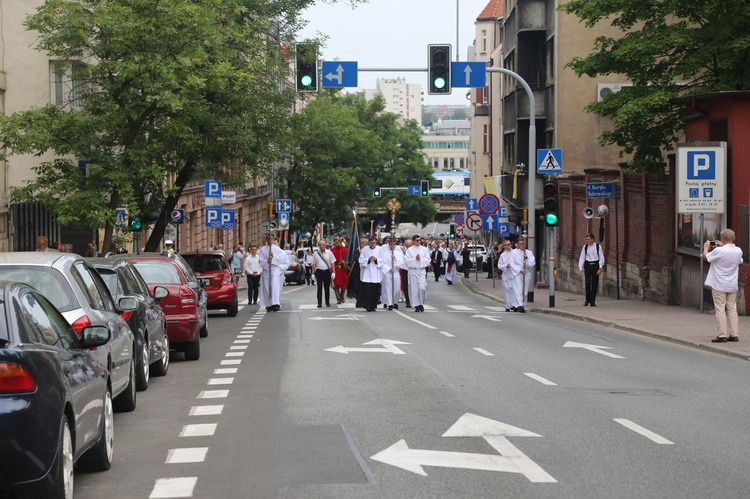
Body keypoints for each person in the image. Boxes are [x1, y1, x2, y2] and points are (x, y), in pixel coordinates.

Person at [703, 229, 743, 343]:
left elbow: (706, 257)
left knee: (720, 308)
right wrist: (723, 246)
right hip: (732, 284)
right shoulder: (738, 250)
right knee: (732, 309)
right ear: (733, 238)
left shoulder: (719, 251)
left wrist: (706, 247)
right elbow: (740, 261)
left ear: (723, 238)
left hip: (719, 284)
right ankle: (734, 334)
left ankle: (722, 335)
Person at [258, 236, 289, 311]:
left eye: (271, 239)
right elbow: (261, 261)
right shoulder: (262, 249)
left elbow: (281, 260)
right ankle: (268, 304)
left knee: (274, 287)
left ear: (273, 239)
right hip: (267, 270)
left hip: (274, 270)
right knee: (267, 287)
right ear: (266, 239)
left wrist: (273, 257)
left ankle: (275, 303)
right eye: (268, 239)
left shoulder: (278, 250)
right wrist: (267, 261)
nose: (270, 240)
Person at [404, 235, 431, 312]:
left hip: (421, 271)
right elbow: (406, 260)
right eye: (417, 240)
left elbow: (428, 259)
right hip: (413, 271)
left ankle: (421, 302)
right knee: (414, 289)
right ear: (413, 241)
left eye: (419, 240)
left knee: (421, 288)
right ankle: (417, 305)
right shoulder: (409, 250)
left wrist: (421, 259)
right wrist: (414, 259)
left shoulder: (424, 249)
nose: (419, 242)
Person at [578, 233, 605, 307]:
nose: (586, 241)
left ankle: (592, 301)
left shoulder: (597, 246)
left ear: (592, 239)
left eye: (588, 239)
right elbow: (582, 257)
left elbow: (601, 257)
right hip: (587, 265)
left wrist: (600, 268)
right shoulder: (585, 247)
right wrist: (580, 268)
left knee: (594, 284)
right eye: (586, 239)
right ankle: (587, 299)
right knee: (587, 283)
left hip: (595, 265)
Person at [509, 237, 535, 313]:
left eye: (523, 244)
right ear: (518, 244)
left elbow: (532, 263)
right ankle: (519, 305)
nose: (522, 245)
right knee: (518, 289)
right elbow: (512, 263)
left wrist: (526, 258)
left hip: (526, 272)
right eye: (520, 244)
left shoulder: (529, 253)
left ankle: (523, 304)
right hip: (518, 273)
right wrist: (519, 269)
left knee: (525, 290)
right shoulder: (514, 252)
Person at [379, 237, 403, 310]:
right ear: (389, 245)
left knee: (396, 289)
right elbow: (382, 263)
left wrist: (395, 259)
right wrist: (389, 268)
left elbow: (401, 263)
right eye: (391, 244)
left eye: (394, 244)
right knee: (388, 288)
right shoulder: (385, 254)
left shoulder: (398, 253)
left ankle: (395, 301)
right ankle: (389, 303)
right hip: (388, 273)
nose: (392, 246)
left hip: (395, 272)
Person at [358, 235, 382, 312]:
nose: (372, 244)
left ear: (376, 242)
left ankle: (373, 305)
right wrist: (368, 259)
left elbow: (383, 260)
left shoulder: (380, 249)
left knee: (375, 290)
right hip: (367, 273)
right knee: (367, 290)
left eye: (373, 243)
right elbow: (361, 260)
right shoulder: (365, 249)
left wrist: (376, 260)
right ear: (369, 242)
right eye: (371, 243)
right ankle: (367, 305)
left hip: (376, 272)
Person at [312, 240, 336, 308]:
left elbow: (332, 263)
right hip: (319, 271)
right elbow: (314, 264)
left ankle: (327, 302)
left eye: (323, 245)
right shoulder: (316, 254)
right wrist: (313, 273)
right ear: (318, 246)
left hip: (327, 272)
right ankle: (319, 303)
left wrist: (333, 272)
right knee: (319, 288)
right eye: (320, 245)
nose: (321, 246)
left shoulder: (329, 253)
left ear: (325, 246)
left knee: (327, 288)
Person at [497, 239, 516, 311]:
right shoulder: (503, 255)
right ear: (504, 246)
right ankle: (507, 306)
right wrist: (505, 266)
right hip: (506, 274)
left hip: (514, 274)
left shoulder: (514, 252)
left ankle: (513, 304)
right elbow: (499, 265)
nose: (510, 245)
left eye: (510, 244)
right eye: (508, 244)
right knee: (507, 291)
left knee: (514, 290)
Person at [331, 237, 349, 304]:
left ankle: (342, 296)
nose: (338, 244)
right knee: (335, 284)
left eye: (339, 242)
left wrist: (345, 262)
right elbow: (331, 261)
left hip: (343, 268)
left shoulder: (345, 249)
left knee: (344, 283)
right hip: (335, 268)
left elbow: (348, 260)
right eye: (337, 242)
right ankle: (338, 298)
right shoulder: (332, 250)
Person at [400, 238, 413, 307]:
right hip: (405, 270)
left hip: (412, 270)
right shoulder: (402, 251)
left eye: (410, 245)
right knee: (406, 286)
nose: (409, 247)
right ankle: (408, 301)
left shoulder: (414, 251)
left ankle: (413, 300)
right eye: (407, 245)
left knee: (413, 286)